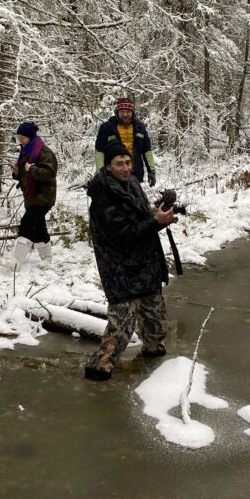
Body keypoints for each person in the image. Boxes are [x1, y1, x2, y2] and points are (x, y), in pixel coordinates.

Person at [84, 140, 177, 381]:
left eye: (128, 162)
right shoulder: (103, 197)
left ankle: (153, 351)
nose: (125, 168)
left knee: (156, 322)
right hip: (120, 269)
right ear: (108, 167)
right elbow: (123, 237)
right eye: (119, 164)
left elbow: (141, 219)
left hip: (145, 264)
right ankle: (98, 368)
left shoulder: (132, 183)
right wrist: (155, 222)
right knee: (121, 327)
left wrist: (161, 214)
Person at [10, 121, 58, 269]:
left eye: (23, 138)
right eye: (18, 137)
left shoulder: (43, 152)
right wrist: (17, 173)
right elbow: (26, 174)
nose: (20, 140)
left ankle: (16, 262)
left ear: (31, 137)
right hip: (32, 197)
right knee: (39, 227)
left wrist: (31, 170)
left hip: (44, 197)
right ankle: (47, 259)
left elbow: (50, 173)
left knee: (27, 223)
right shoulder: (26, 151)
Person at [94, 98, 156, 186]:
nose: (125, 114)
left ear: (132, 112)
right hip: (114, 174)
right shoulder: (107, 127)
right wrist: (101, 171)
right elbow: (99, 151)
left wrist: (152, 171)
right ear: (117, 112)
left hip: (135, 174)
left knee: (134, 194)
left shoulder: (140, 127)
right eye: (122, 111)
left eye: (128, 112)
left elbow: (147, 150)